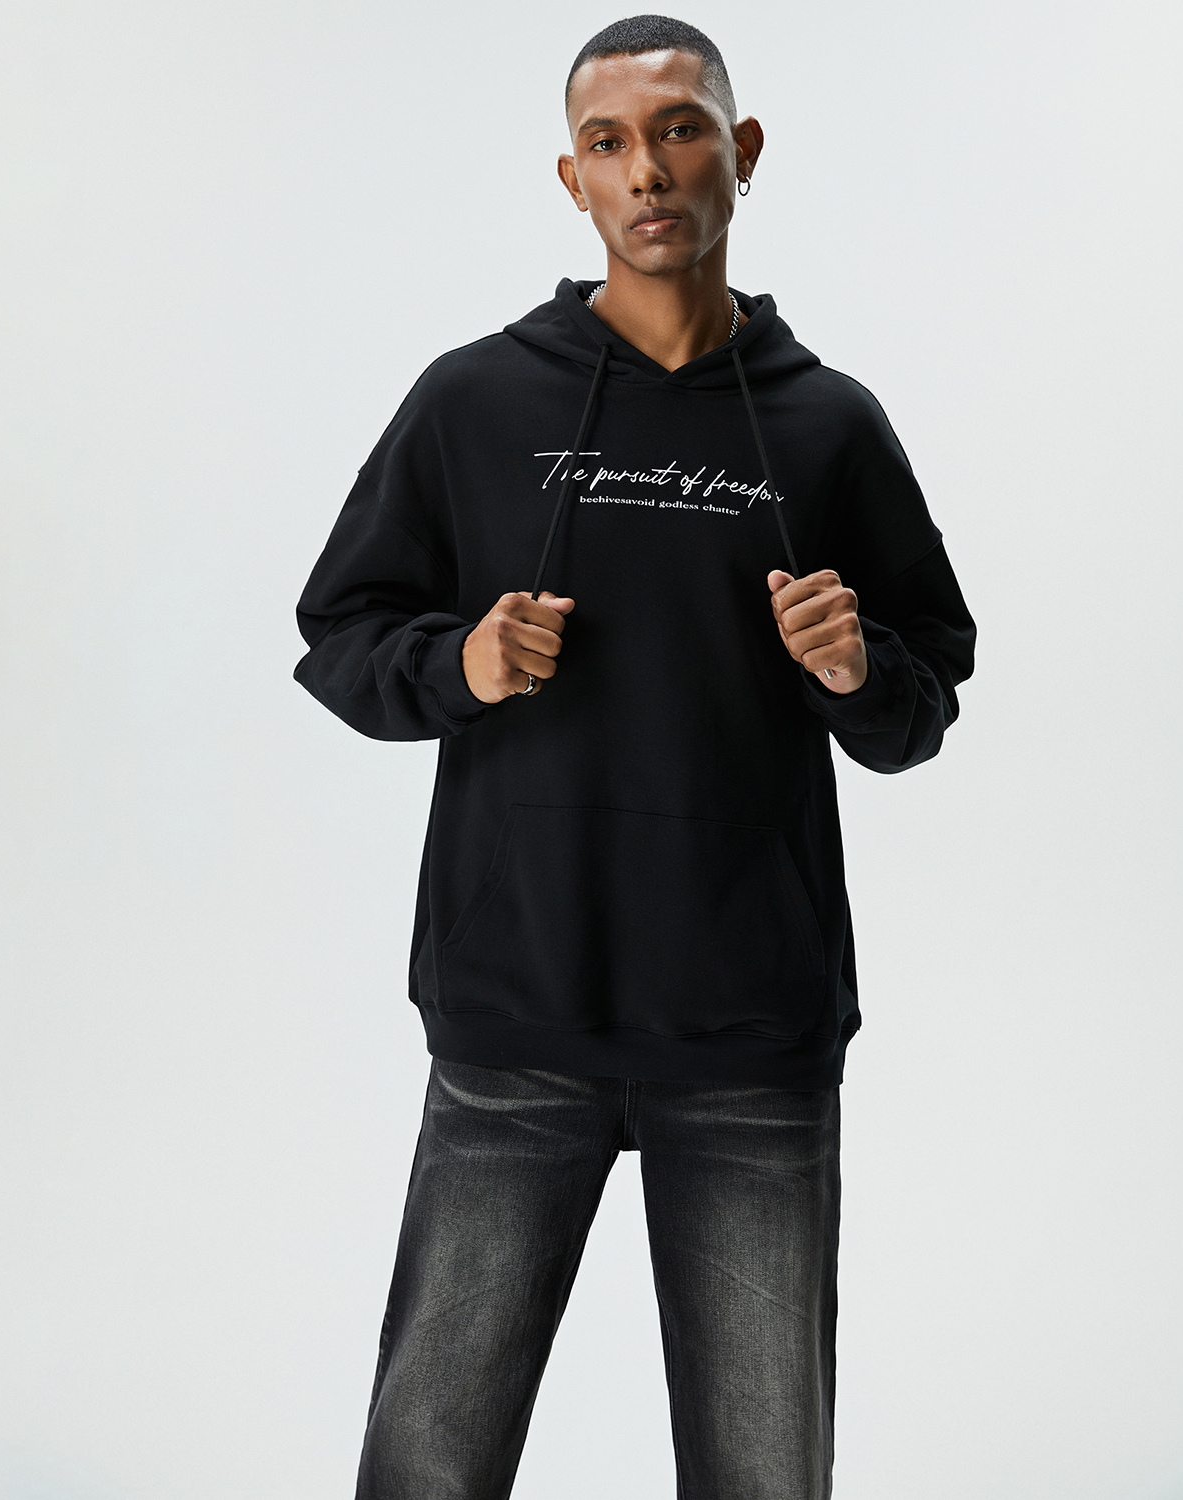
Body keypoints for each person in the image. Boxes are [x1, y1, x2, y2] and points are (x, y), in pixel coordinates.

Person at [293, 14, 976, 1498]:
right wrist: (461, 666)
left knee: (763, 1475)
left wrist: (858, 671)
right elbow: (339, 634)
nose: (646, 171)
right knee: (428, 1465)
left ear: (742, 153)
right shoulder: (475, 403)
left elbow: (927, 693)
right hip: (513, 1018)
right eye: (607, 144)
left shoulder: (829, 425)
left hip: (751, 1039)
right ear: (572, 178)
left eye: (678, 131)